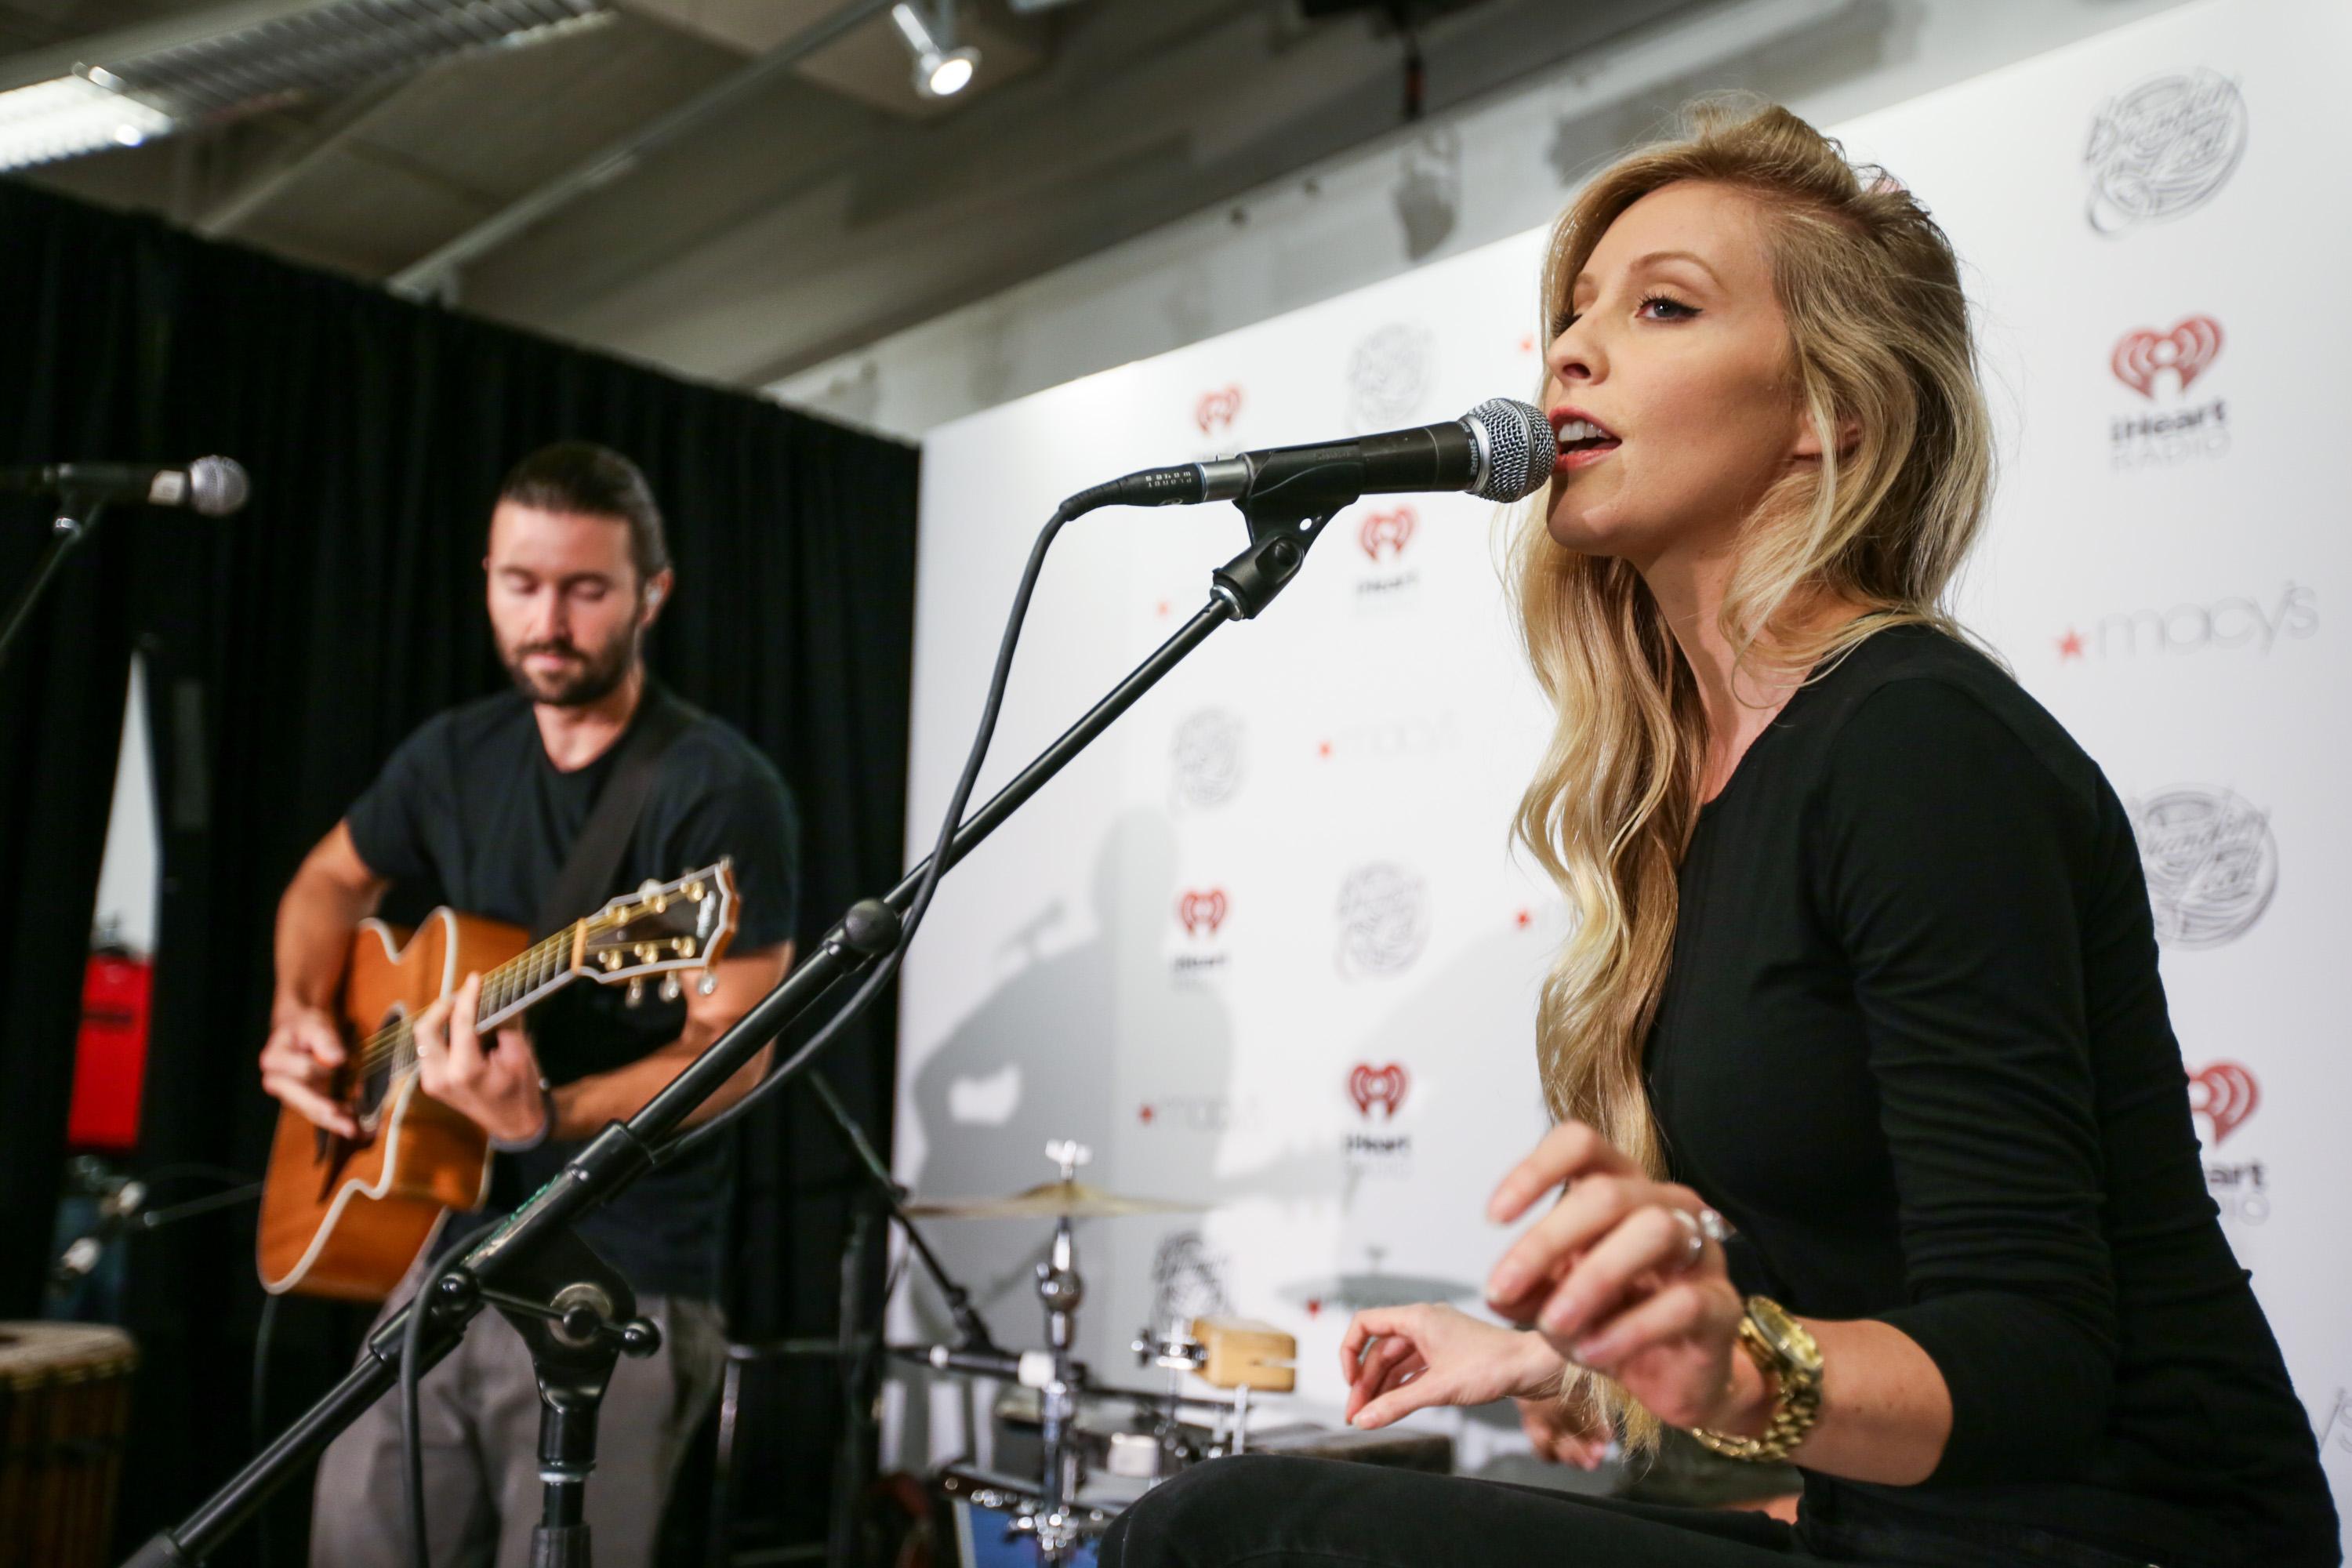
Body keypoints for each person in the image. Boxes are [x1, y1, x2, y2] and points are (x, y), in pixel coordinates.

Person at [1100, 100, 2339, 1568]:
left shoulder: (1919, 744)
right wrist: (1565, 1358)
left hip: (2121, 1536)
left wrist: (1732, 1369)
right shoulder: (1687, 793)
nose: (1569, 350)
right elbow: (1855, 1260)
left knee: (1239, 1532)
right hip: (1892, 1530)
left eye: (1662, 306)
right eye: (1569, 317)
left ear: (1836, 409)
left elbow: (2033, 1363)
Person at [256, 441, 800, 1568]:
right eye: (522, 584)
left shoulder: (717, 791)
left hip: (621, 1270)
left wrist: (547, 1119)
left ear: (653, 593)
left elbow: (735, 1053)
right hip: (441, 1248)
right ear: (488, 579)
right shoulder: (454, 754)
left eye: (586, 588)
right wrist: (302, 1011)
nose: (549, 619)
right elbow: (327, 881)